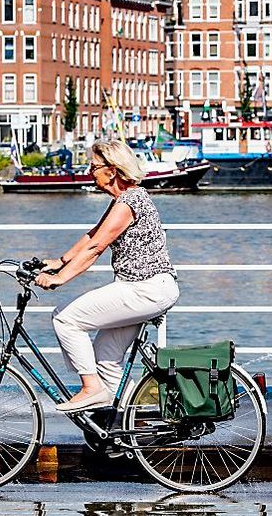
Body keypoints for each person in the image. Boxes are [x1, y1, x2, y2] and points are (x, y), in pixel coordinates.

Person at [35, 138, 179, 413]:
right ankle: (133, 423)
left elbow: (96, 247)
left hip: (144, 288)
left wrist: (60, 278)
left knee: (65, 319)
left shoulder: (129, 202)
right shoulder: (124, 200)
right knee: (106, 356)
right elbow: (93, 234)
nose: (90, 172)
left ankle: (91, 388)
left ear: (111, 170)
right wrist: (60, 261)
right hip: (147, 288)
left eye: (94, 166)